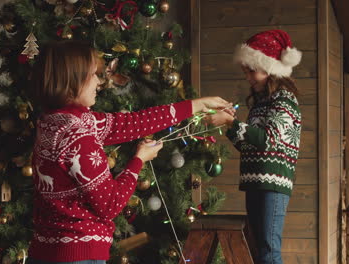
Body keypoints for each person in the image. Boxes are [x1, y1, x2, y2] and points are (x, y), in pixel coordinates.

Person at [25, 40, 231, 264]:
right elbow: (110, 204)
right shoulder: (79, 136)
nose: (99, 82)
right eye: (93, 75)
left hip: (45, 251)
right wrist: (138, 161)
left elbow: (134, 123)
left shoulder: (53, 122)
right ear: (74, 80)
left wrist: (196, 105)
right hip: (78, 255)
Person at [205, 30, 302, 264]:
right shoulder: (261, 103)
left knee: (269, 252)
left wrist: (232, 122)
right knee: (258, 250)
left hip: (274, 184)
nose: (248, 77)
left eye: (252, 70)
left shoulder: (284, 99)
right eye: (245, 71)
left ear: (269, 68)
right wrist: (230, 125)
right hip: (256, 182)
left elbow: (268, 140)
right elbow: (250, 146)